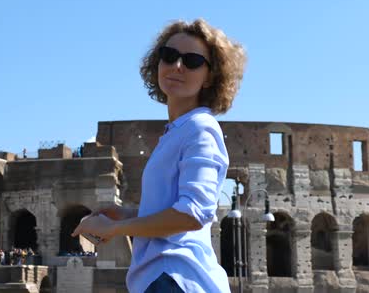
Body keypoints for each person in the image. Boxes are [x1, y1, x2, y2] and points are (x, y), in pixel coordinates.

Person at [72, 19, 245, 293]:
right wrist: (125, 214)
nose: (177, 66)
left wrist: (115, 229)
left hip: (176, 277)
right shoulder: (178, 131)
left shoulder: (200, 128)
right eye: (169, 56)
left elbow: (192, 215)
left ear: (211, 76)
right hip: (164, 277)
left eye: (192, 61)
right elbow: (174, 209)